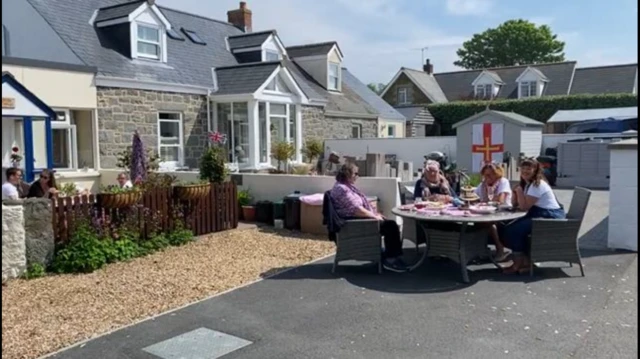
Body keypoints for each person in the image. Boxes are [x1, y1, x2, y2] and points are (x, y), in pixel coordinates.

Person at [330, 163, 407, 272]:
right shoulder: (341, 189)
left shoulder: (347, 186)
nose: (358, 176)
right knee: (391, 226)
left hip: (359, 218)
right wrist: (374, 216)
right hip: (354, 223)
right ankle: (391, 259)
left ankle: (392, 255)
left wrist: (376, 214)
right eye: (355, 173)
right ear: (347, 174)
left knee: (390, 224)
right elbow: (356, 210)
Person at [501, 158, 566, 274]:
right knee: (506, 227)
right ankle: (526, 261)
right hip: (540, 213)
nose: (525, 171)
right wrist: (516, 193)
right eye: (523, 168)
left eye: (529, 168)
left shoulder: (537, 184)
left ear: (535, 170)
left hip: (549, 217)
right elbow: (516, 204)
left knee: (513, 231)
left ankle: (518, 263)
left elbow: (524, 207)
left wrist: (519, 192)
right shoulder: (528, 184)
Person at [474, 162, 513, 261]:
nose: (487, 177)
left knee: (488, 223)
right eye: (485, 175)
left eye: (490, 174)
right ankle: (479, 248)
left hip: (504, 214)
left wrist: (485, 202)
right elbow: (474, 197)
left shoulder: (503, 182)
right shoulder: (483, 185)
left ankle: (500, 249)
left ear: (496, 174)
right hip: (488, 213)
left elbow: (500, 201)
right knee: (476, 223)